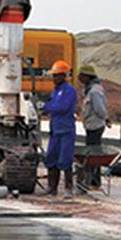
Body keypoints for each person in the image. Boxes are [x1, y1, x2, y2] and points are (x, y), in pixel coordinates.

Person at [41, 60, 77, 196]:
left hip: (66, 130)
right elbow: (54, 106)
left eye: (56, 75)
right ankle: (52, 188)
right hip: (55, 130)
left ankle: (68, 188)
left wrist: (45, 107)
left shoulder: (69, 91)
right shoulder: (56, 91)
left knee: (65, 159)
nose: (54, 78)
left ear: (63, 75)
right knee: (51, 158)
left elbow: (62, 107)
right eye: (53, 75)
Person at [78, 64, 108, 188]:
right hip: (91, 125)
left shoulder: (95, 91)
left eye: (81, 76)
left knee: (94, 155)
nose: (79, 78)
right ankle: (91, 180)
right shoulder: (89, 89)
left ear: (87, 76)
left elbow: (100, 109)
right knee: (91, 154)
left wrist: (106, 118)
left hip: (95, 126)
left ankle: (94, 181)